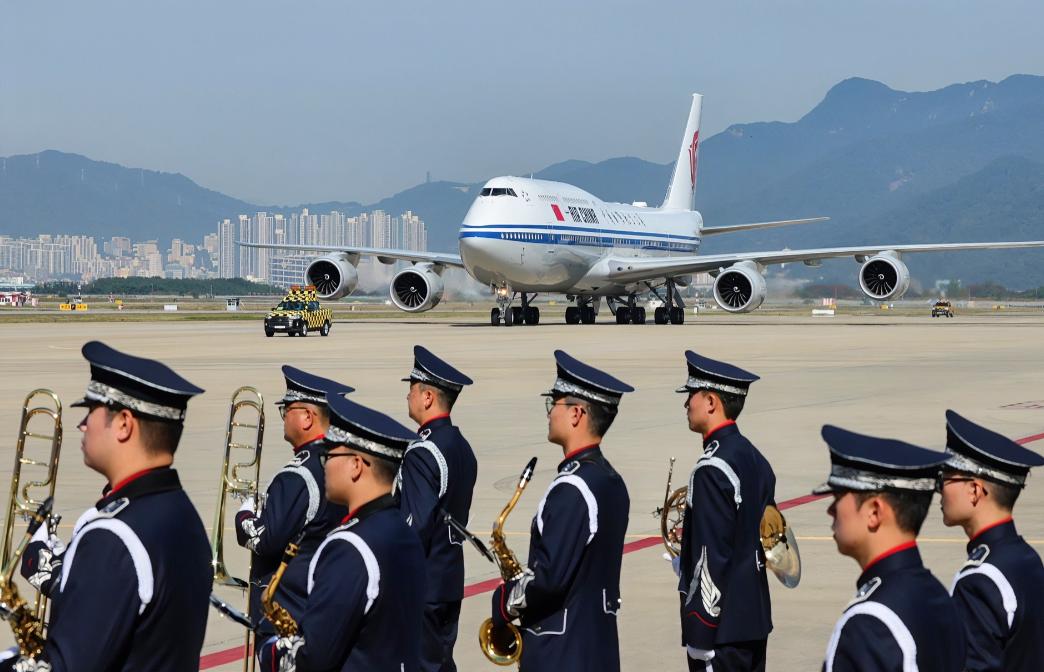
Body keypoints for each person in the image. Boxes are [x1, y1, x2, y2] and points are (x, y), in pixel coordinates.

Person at [2, 341, 211, 671]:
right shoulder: (181, 513)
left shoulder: (114, 536)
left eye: (91, 412)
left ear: (125, 424)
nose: (82, 425)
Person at [490, 350, 633, 672]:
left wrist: (504, 602)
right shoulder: (610, 480)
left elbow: (550, 580)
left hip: (561, 651)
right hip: (596, 645)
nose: (548, 413)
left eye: (553, 403)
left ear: (577, 414)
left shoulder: (572, 488)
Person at [261, 393, 425, 671]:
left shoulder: (349, 547)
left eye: (330, 455)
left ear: (356, 465)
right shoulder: (403, 532)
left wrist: (272, 653)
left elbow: (314, 658)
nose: (324, 464)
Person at [815, 425, 966, 671]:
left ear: (874, 512)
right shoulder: (939, 597)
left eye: (838, 497)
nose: (830, 510)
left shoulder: (869, 623)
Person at [234, 366, 353, 641]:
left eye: (287, 409)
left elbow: (265, 540)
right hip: (324, 602)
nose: (283, 417)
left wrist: (245, 515)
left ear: (308, 417)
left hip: (288, 612)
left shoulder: (295, 477)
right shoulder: (341, 462)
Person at [674, 351, 776, 671]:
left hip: (722, 632)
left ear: (711, 402)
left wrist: (699, 634)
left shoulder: (711, 469)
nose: (686, 404)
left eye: (691, 395)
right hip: (753, 620)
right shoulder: (755, 458)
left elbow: (712, 557)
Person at [937, 410, 1044, 671]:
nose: (938, 489)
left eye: (944, 479)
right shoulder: (1026, 558)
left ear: (974, 490)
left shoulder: (979, 581)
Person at [398, 346, 477, 672]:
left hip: (423, 586)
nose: (407, 397)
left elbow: (413, 528)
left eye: (412, 389)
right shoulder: (461, 447)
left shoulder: (422, 451)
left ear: (428, 397)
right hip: (448, 578)